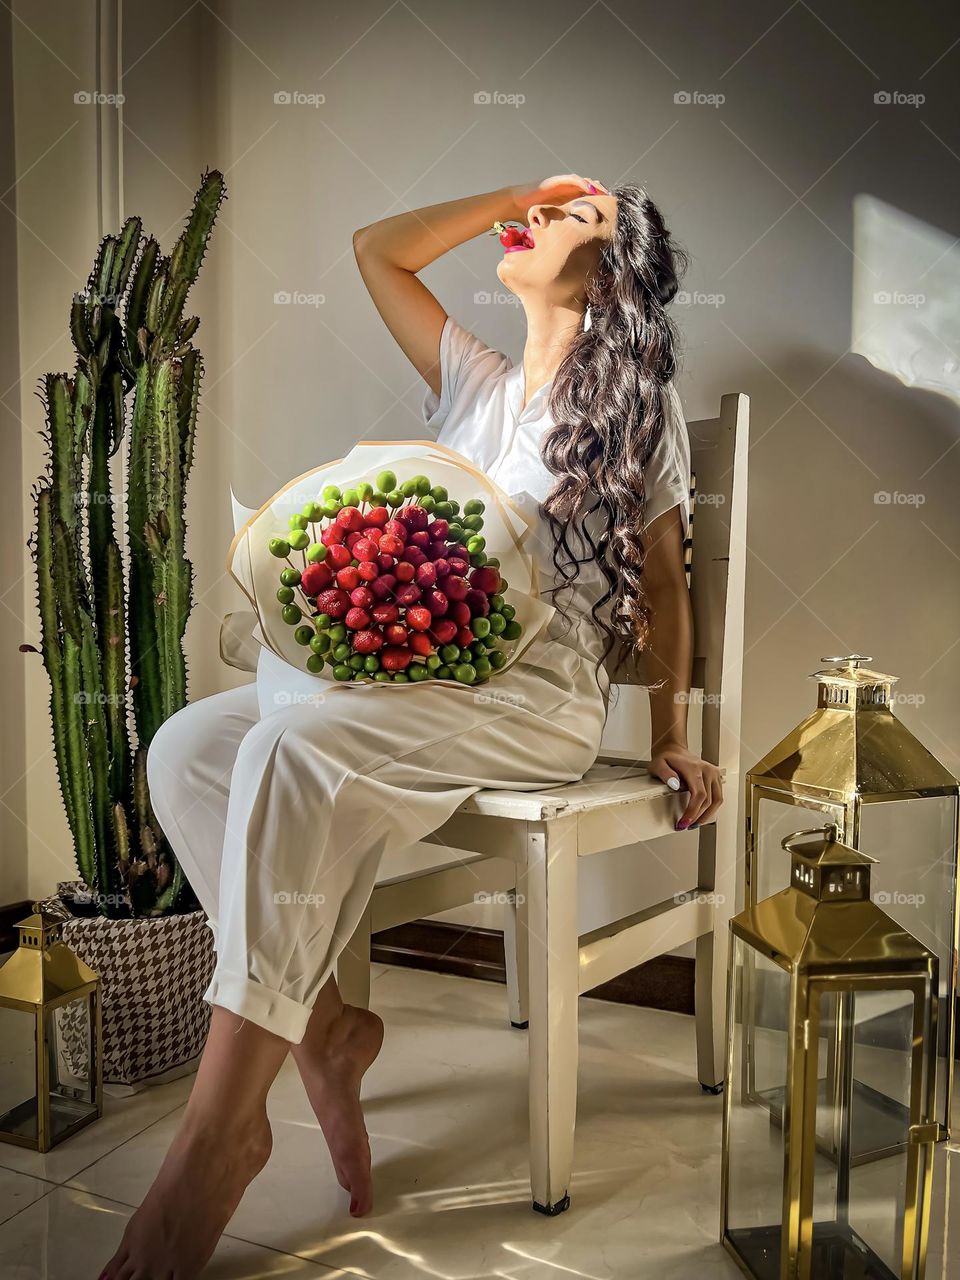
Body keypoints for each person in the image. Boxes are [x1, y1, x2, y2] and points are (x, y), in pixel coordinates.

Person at [101, 173, 724, 1280]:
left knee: (289, 749)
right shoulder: (474, 380)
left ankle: (215, 1141)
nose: (541, 219)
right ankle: (328, 1029)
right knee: (189, 748)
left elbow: (668, 582)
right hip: (414, 683)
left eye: (577, 216)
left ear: (613, 274)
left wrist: (675, 725)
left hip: (538, 701)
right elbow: (375, 247)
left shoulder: (636, 405)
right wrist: (516, 195)